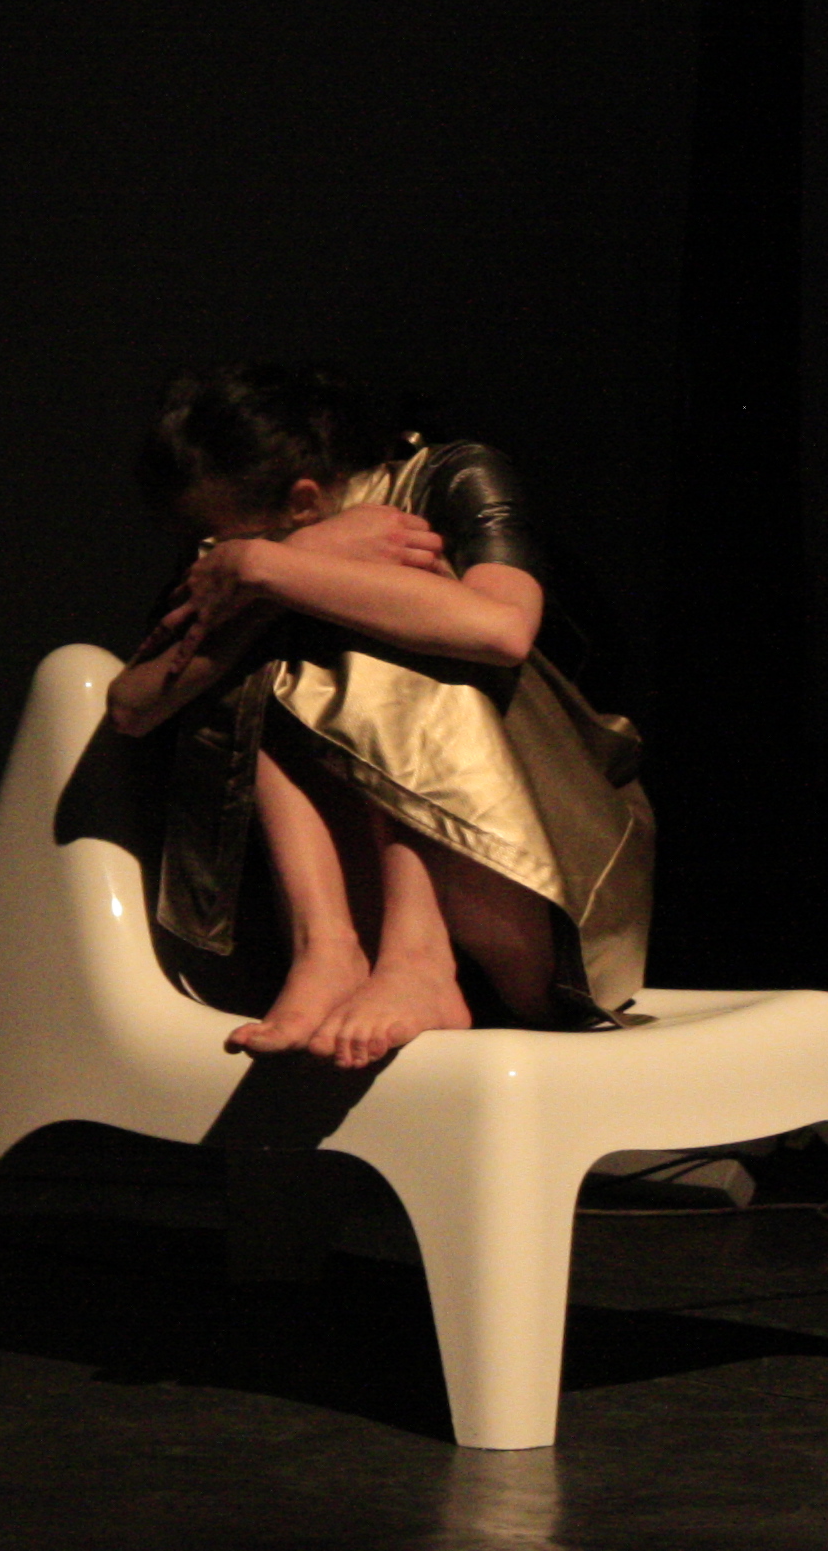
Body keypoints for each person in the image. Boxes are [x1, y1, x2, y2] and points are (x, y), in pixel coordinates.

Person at [103, 364, 654, 1069]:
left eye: (226, 540)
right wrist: (279, 570)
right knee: (260, 642)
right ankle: (327, 951)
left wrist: (271, 570)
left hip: (544, 867)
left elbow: (502, 628)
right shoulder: (247, 550)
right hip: (355, 921)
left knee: (387, 613)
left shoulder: (452, 477)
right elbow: (133, 702)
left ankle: (417, 959)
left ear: (303, 499)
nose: (217, 554)